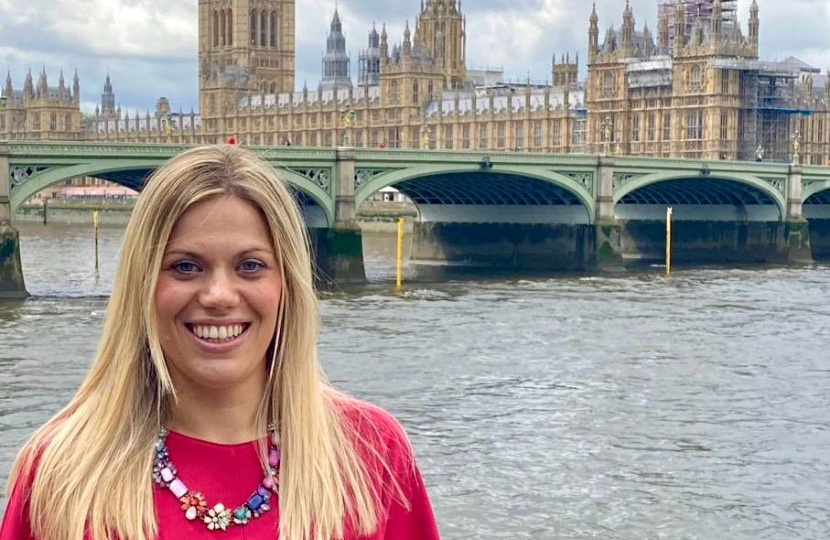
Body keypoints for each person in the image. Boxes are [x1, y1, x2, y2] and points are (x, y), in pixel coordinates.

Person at [0, 145, 441, 540]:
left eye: (250, 266)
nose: (219, 296)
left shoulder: (372, 452)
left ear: (287, 282)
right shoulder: (61, 472)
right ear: (142, 283)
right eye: (185, 267)